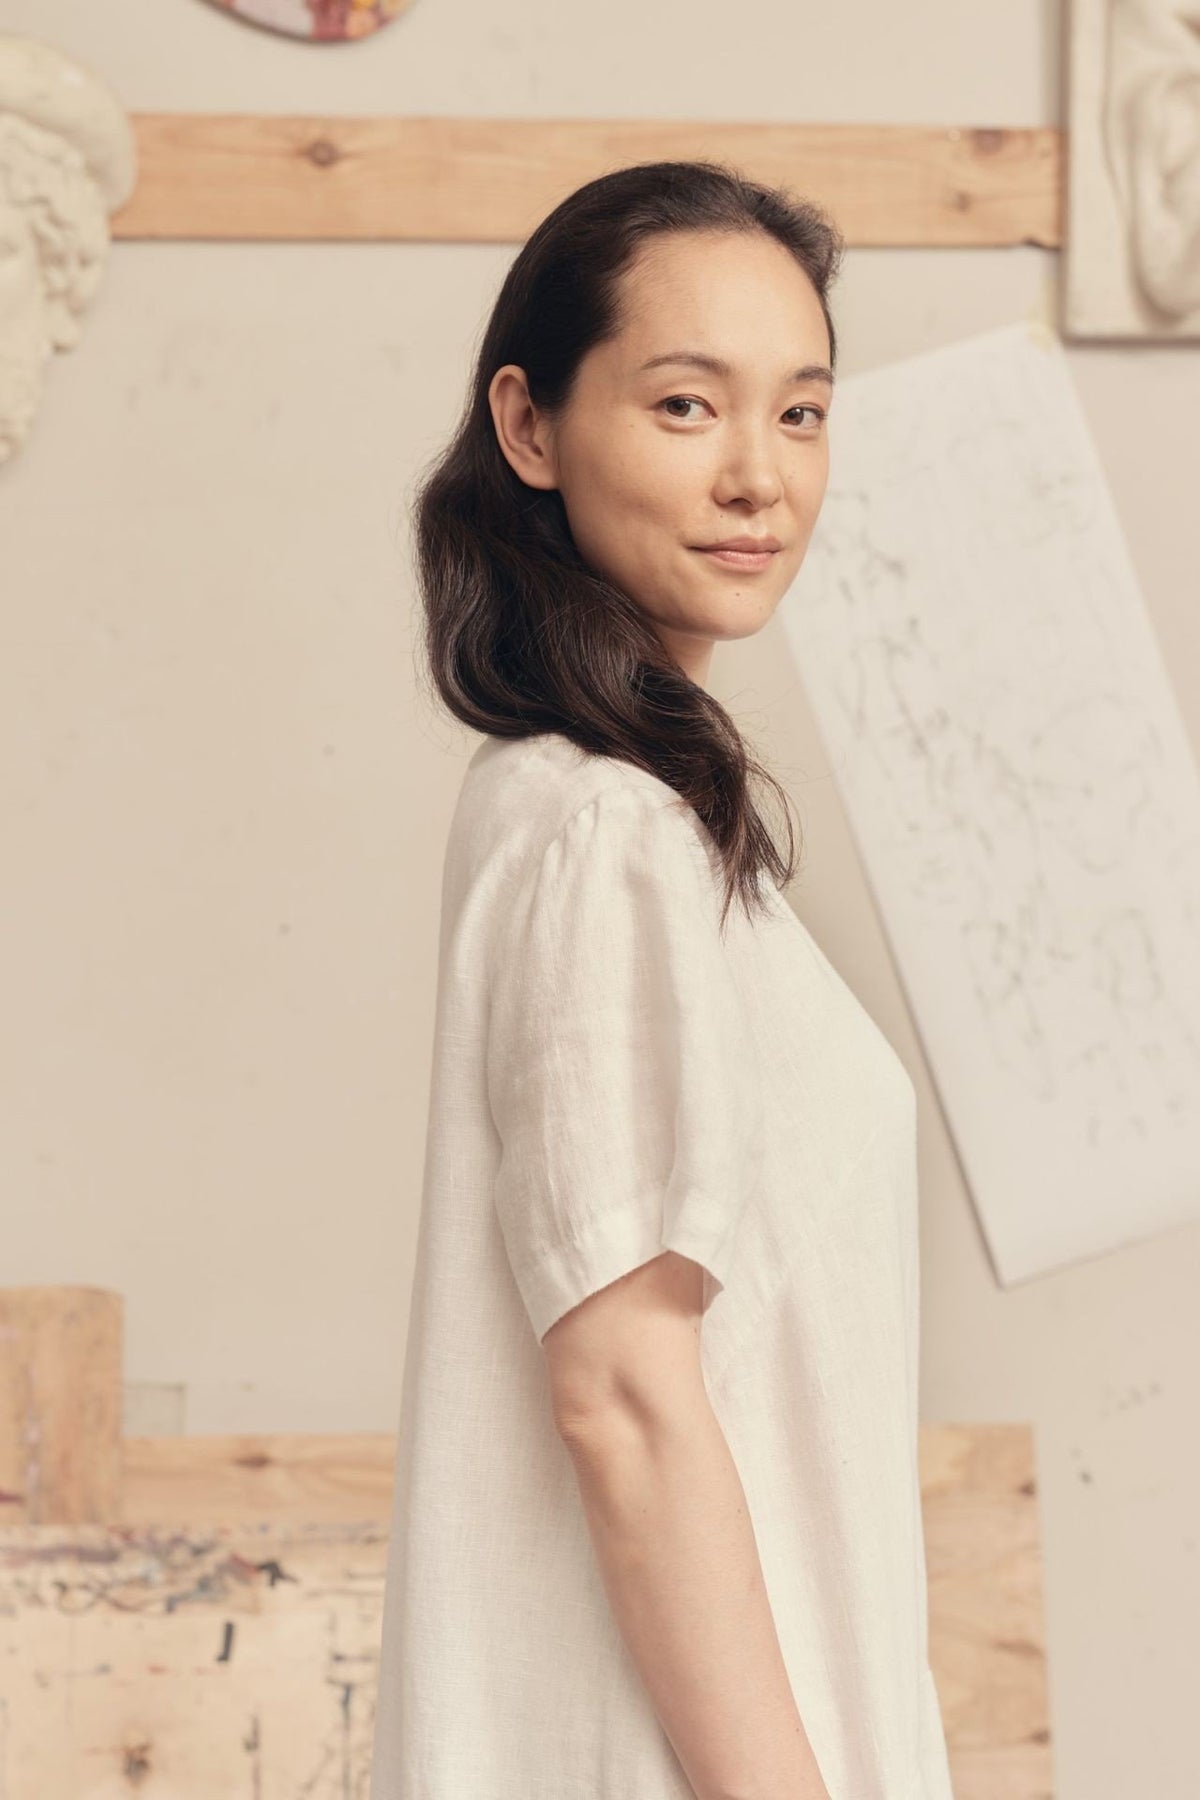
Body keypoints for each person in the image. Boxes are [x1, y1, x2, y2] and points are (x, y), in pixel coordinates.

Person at [368, 158, 956, 1800]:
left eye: (804, 414)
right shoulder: (603, 832)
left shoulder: (601, 816)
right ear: (531, 425)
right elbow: (624, 1398)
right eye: (689, 406)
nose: (759, 479)